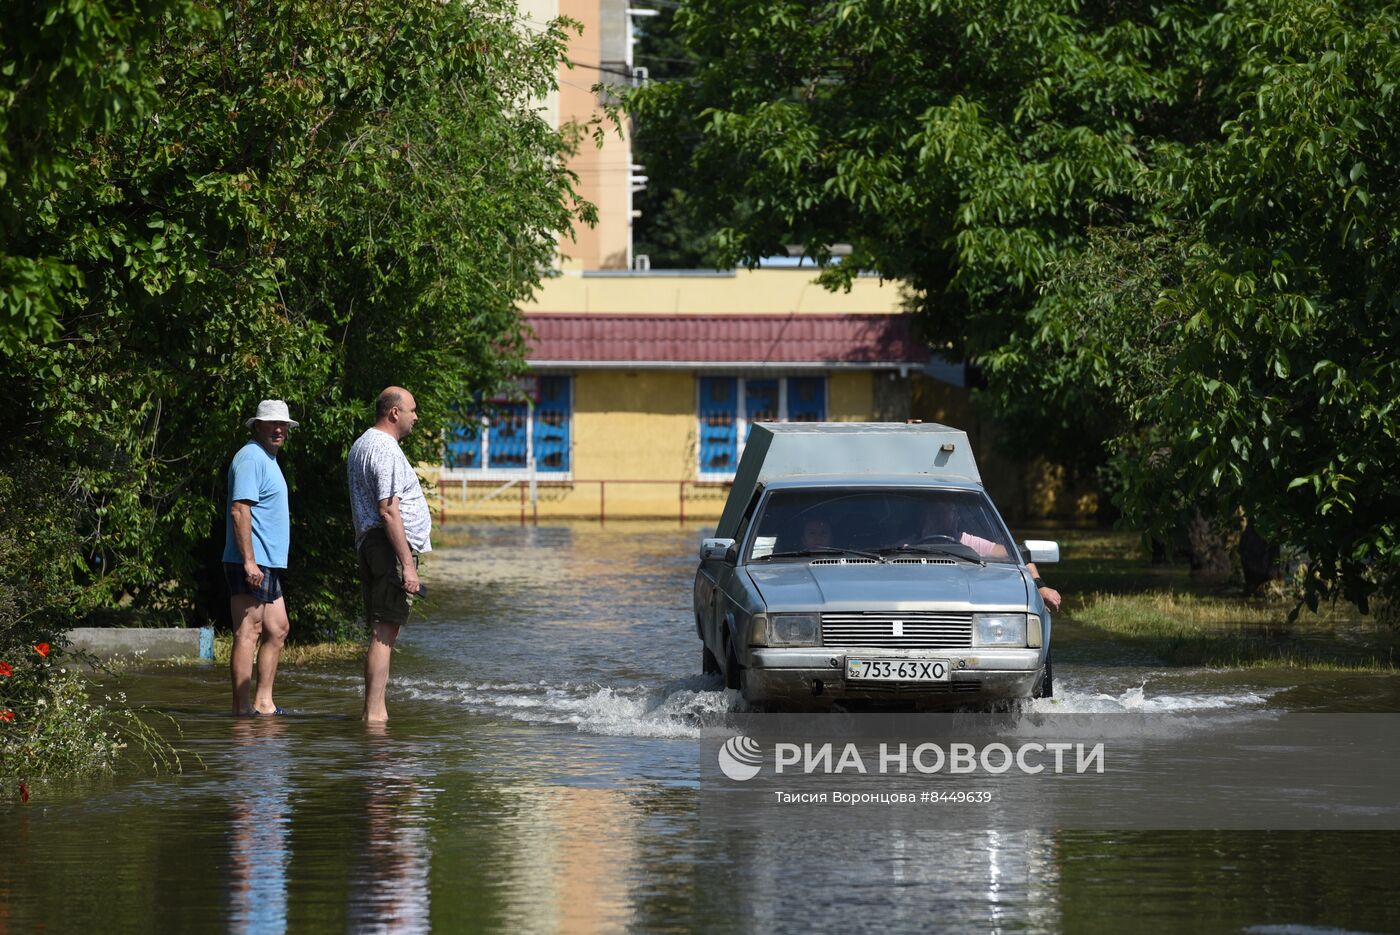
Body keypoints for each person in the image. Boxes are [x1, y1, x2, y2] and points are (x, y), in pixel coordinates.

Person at [347, 387, 432, 722]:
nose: (416, 417)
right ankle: (374, 715)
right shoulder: (383, 448)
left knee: (381, 630)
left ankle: (374, 712)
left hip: (371, 544)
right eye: (412, 410)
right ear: (394, 412)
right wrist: (408, 566)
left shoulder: (362, 444)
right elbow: (387, 510)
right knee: (385, 632)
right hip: (386, 545)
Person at [224, 399, 297, 716]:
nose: (278, 429)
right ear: (257, 425)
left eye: (283, 425)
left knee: (278, 628)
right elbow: (240, 510)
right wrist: (249, 562)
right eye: (272, 424)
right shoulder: (251, 457)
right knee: (248, 631)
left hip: (267, 562)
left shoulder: (267, 459)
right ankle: (241, 709)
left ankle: (263, 703)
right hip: (252, 561)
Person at [916, 499, 1062, 611]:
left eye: (950, 512)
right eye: (937, 514)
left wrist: (1040, 586)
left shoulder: (970, 542)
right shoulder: (904, 546)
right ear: (926, 517)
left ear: (956, 518)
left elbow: (1019, 554)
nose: (948, 517)